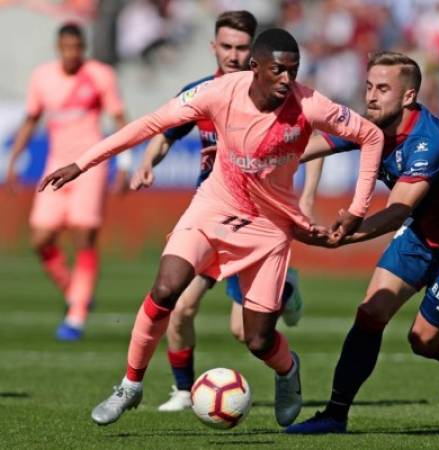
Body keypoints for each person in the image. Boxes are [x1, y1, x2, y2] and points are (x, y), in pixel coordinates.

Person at [39, 28, 384, 427]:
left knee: (257, 339)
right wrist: (83, 163)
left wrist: (358, 209)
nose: (288, 80)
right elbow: (149, 124)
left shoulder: (309, 104)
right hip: (213, 208)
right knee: (166, 290)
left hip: (269, 228)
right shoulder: (218, 93)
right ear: (255, 68)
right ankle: (130, 385)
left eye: (294, 71)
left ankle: (288, 370)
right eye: (278, 71)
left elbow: (370, 135)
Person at [286, 51, 439, 434]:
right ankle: (335, 415)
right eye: (369, 86)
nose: (371, 96)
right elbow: (307, 148)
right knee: (370, 313)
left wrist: (347, 235)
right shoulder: (370, 124)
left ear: (408, 97)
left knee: (422, 340)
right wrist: (258, 162)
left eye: (383, 89)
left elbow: (397, 211)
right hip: (424, 233)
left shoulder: (428, 142)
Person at [128, 10, 320, 412]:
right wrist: (148, 162)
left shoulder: (279, 98)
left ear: (255, 54)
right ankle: (183, 390)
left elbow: (315, 141)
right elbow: (165, 133)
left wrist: (305, 201)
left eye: (241, 47)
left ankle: (285, 291)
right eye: (226, 46)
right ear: (213, 47)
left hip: (257, 223)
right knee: (178, 305)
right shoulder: (203, 92)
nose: (233, 55)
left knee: (243, 332)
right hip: (212, 216)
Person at [6, 23, 129, 341]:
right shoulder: (43, 77)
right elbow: (32, 119)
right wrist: (14, 159)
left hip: (89, 166)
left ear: (83, 48)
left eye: (77, 48)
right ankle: (76, 291)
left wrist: (125, 164)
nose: (72, 54)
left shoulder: (100, 75)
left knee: (84, 235)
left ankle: (75, 316)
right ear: (59, 47)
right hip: (55, 166)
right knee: (40, 239)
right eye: (66, 48)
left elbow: (118, 120)